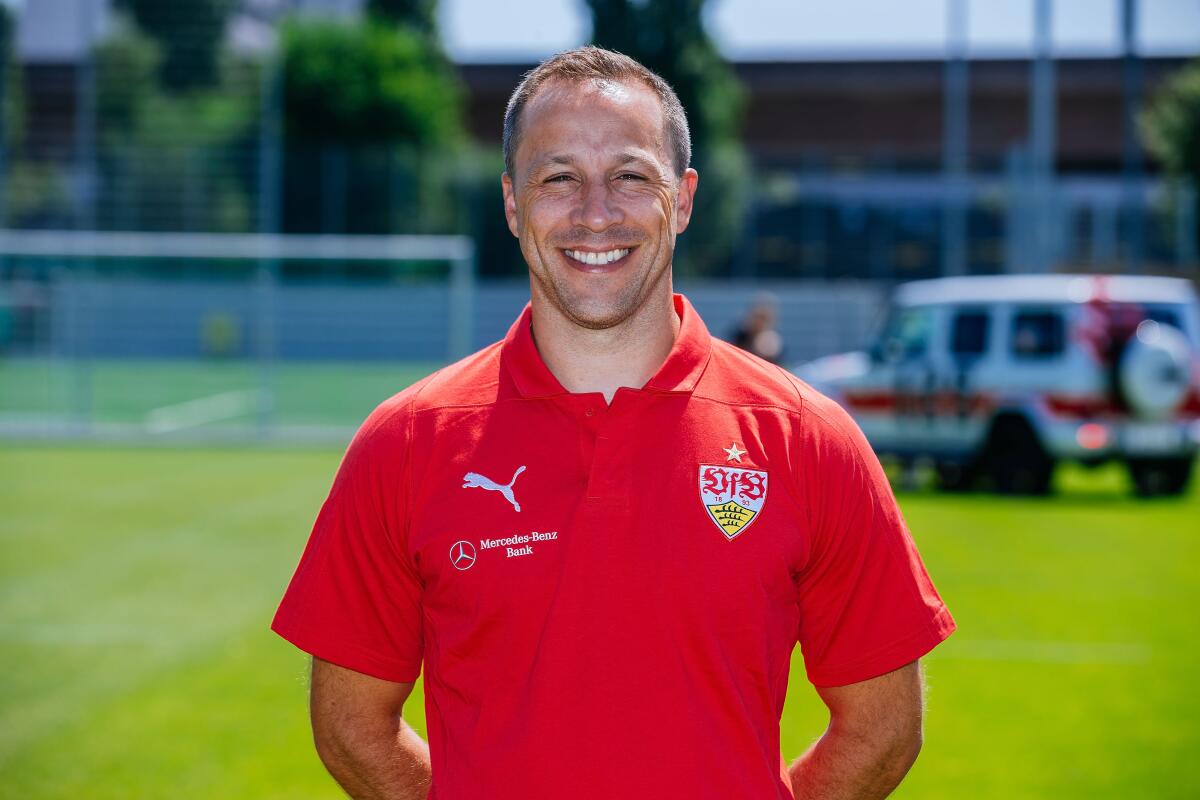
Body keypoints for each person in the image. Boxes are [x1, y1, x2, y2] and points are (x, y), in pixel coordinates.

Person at [272, 46, 955, 800]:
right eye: (558, 178)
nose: (596, 213)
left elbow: (885, 726)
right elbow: (349, 724)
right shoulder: (406, 442)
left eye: (630, 176)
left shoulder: (809, 439)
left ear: (684, 198)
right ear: (510, 201)